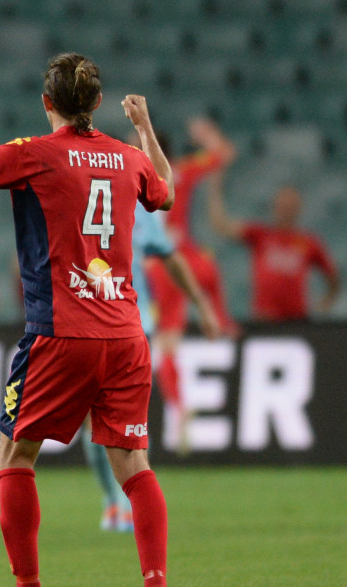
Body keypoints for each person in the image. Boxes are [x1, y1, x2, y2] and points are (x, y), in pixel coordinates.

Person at [0, 53, 177, 587]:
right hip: (126, 335)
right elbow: (166, 195)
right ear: (97, 102)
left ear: (46, 102)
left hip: (60, 333)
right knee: (133, 462)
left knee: (13, 455)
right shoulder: (130, 157)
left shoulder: (31, 152)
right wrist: (144, 127)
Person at [83, 201, 220, 533]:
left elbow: (169, 255)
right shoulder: (76, 196)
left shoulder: (138, 207)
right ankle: (112, 499)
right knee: (92, 420)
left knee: (131, 420)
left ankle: (128, 503)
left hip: (133, 324)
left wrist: (201, 303)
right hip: (83, 324)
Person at [144, 118, 237, 444]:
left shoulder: (129, 174)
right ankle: (222, 320)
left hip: (158, 267)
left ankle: (179, 406)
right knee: (210, 269)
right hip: (189, 259)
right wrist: (208, 134)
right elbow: (224, 153)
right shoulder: (182, 169)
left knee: (166, 342)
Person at [207, 179, 340, 321]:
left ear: (299, 208)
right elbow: (221, 225)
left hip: (297, 320)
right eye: (283, 205)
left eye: (291, 206)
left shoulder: (309, 243)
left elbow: (332, 275)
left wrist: (326, 301)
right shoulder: (260, 235)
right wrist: (214, 188)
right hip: (265, 319)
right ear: (274, 206)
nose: (286, 210)